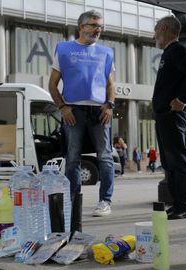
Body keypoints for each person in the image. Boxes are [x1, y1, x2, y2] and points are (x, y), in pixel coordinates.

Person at [48, 10, 116, 218]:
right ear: (82, 27)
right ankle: (73, 200)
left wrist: (110, 105)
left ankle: (105, 201)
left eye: (100, 26)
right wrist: (63, 107)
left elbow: (111, 84)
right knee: (72, 158)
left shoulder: (106, 53)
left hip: (99, 111)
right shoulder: (64, 49)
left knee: (105, 157)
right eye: (94, 25)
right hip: (73, 111)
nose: (98, 29)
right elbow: (52, 85)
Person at [152, 15, 186, 220]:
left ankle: (185, 205)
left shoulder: (177, 50)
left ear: (164, 29)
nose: (154, 35)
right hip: (165, 115)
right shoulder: (169, 53)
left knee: (177, 160)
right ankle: (178, 204)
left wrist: (182, 99)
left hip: (173, 115)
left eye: (156, 30)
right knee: (170, 162)